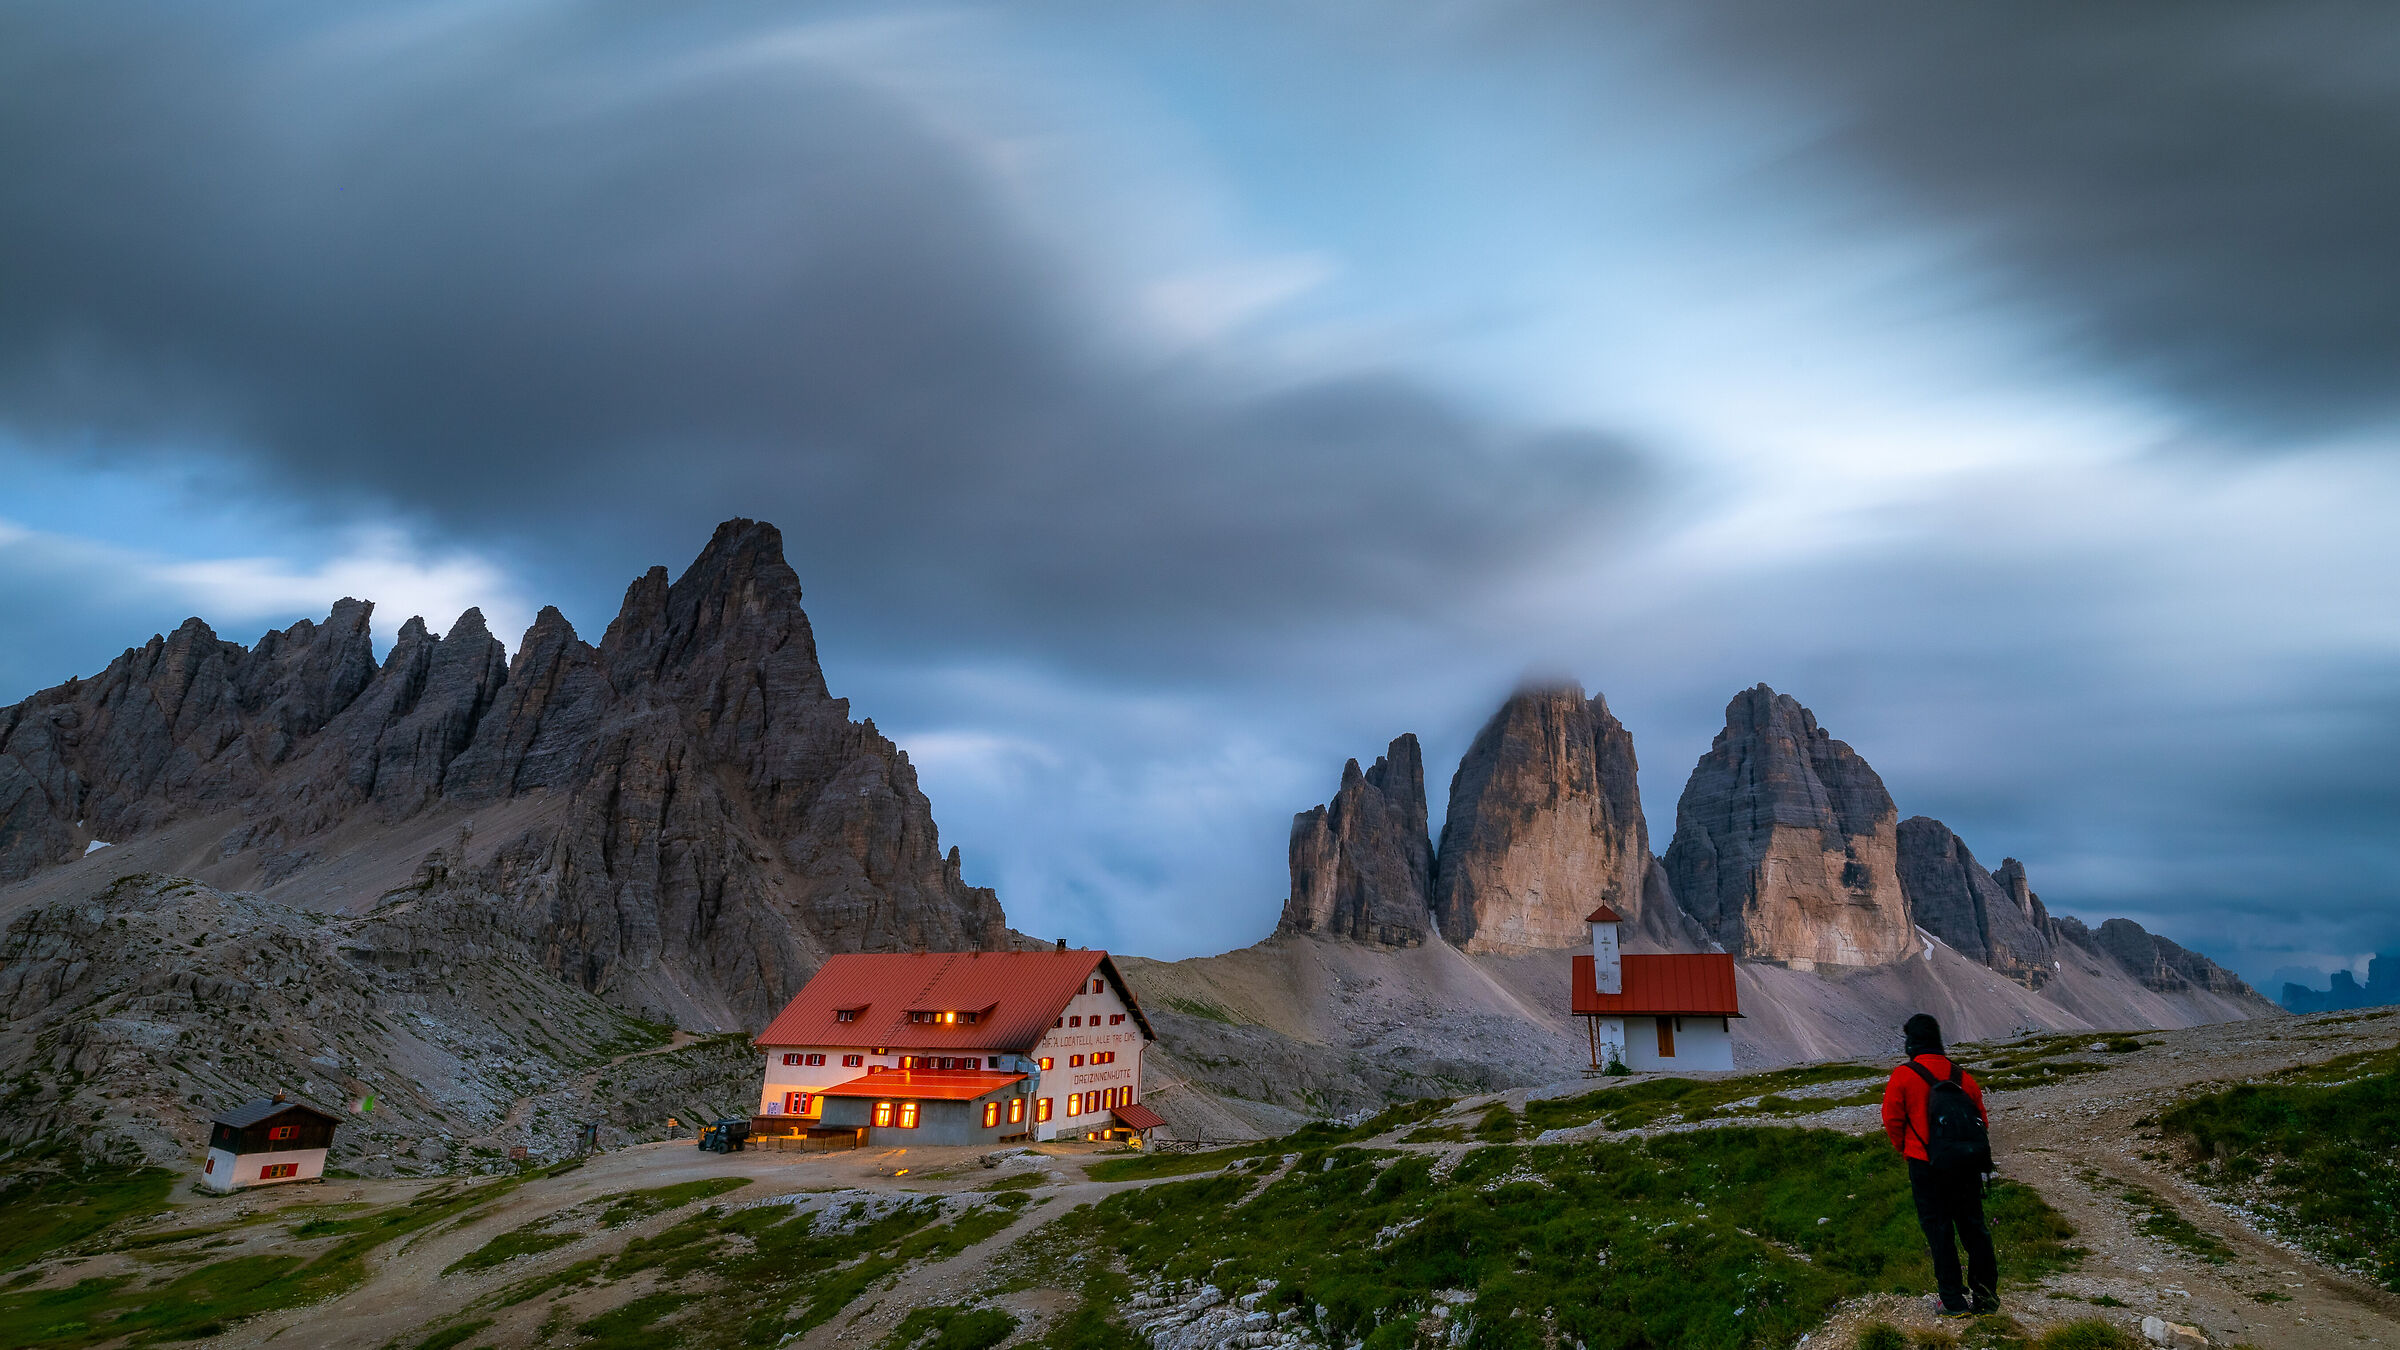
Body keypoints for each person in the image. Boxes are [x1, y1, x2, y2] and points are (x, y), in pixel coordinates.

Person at [1881, 1013, 1997, 1317]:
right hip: (1966, 1166)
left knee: (1939, 1231)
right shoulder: (1962, 1077)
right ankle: (1985, 1298)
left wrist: (1908, 1150)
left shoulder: (1903, 1076)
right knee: (1974, 1229)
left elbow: (1892, 1120)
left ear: (1912, 1042)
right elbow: (1981, 1121)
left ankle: (1952, 1301)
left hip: (1926, 1165)